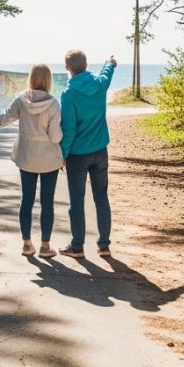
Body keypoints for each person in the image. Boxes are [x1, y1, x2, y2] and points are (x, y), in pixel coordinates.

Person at [0, 64, 64, 258]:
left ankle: (27, 244)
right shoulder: (54, 104)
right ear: (48, 80)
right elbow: (56, 138)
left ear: (30, 78)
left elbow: (3, 120)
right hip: (49, 159)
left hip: (26, 157)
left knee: (27, 199)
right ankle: (45, 247)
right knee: (47, 202)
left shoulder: (21, 100)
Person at [58, 50, 117, 259]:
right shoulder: (100, 85)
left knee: (77, 200)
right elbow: (107, 72)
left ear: (67, 69)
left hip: (77, 155)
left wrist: (62, 154)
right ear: (85, 65)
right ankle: (104, 246)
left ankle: (77, 247)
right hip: (100, 151)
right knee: (101, 197)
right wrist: (109, 61)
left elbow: (69, 129)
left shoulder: (68, 94)